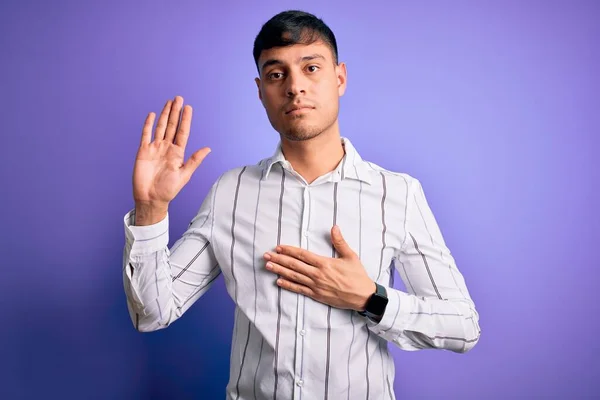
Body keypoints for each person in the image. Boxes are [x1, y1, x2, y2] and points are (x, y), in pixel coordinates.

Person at [122, 9, 481, 400]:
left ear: (339, 77)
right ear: (261, 91)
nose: (295, 87)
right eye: (277, 75)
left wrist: (369, 298)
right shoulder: (231, 192)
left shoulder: (397, 194)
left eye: (311, 68)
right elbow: (151, 313)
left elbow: (463, 326)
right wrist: (151, 208)